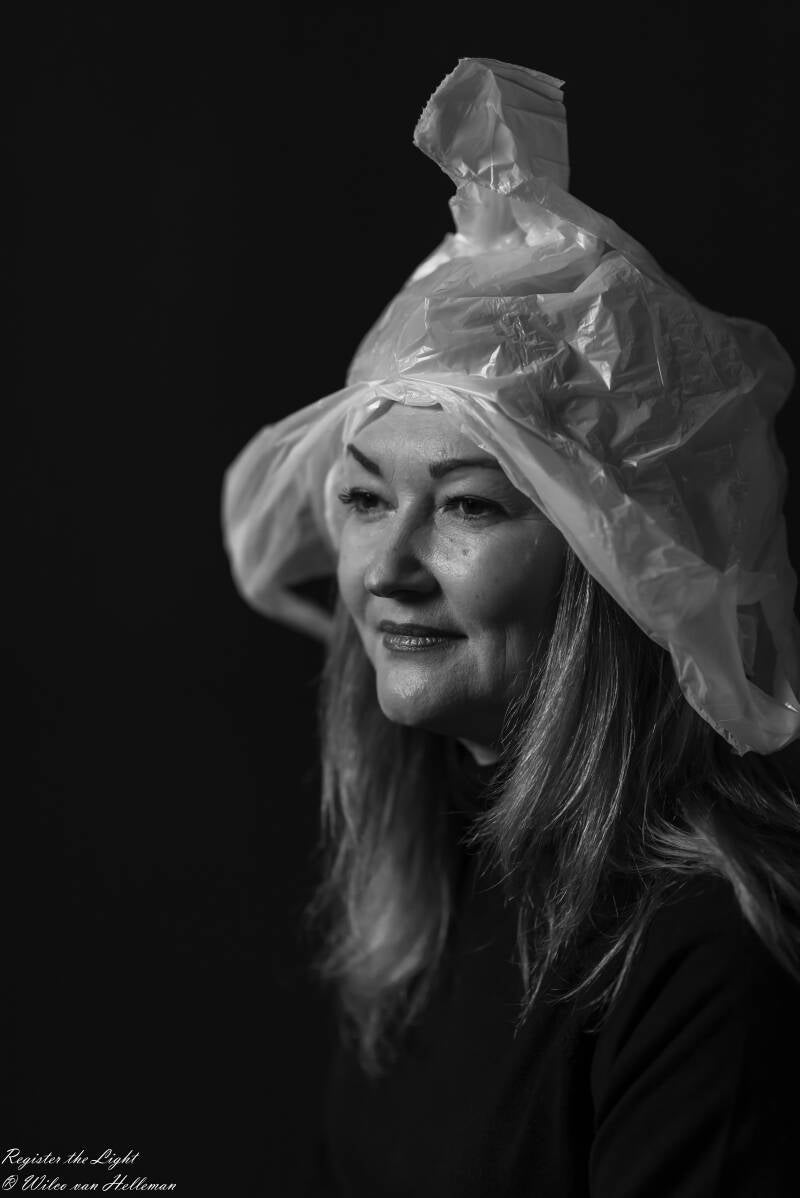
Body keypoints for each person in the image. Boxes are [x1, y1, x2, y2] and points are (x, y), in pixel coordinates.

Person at [221, 58, 800, 1196]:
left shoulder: (707, 960)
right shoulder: (428, 889)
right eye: (365, 497)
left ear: (621, 567)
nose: (387, 569)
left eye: (469, 506)